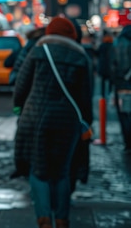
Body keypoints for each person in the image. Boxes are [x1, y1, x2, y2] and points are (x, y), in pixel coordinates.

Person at [12, 16, 93, 228]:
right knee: (62, 171)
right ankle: (63, 219)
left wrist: (18, 105)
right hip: (67, 121)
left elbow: (21, 84)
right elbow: (86, 97)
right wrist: (86, 122)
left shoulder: (39, 50)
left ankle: (45, 219)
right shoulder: (81, 57)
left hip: (35, 118)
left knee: (38, 169)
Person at [111, 24, 131, 152]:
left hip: (121, 85)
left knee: (125, 115)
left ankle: (128, 143)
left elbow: (113, 65)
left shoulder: (118, 42)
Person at [97, 30, 114, 98]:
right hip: (110, 66)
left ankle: (103, 95)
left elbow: (97, 53)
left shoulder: (102, 45)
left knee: (103, 82)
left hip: (103, 66)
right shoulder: (112, 46)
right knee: (110, 81)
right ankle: (109, 93)